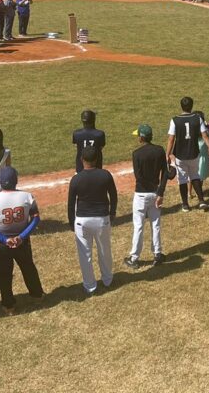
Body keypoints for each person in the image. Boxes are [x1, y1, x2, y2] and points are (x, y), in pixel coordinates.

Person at [0, 166, 44, 312]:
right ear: (16, 181)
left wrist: (5, 240)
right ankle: (37, 295)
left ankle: (9, 305)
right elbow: (35, 219)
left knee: (4, 275)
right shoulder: (27, 197)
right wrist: (21, 237)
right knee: (28, 268)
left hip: (2, 244)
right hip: (22, 242)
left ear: (0, 182)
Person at [67, 147, 117, 295]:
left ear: (82, 160)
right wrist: (112, 213)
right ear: (96, 159)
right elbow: (113, 196)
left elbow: (71, 203)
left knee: (85, 254)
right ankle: (107, 280)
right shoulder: (105, 175)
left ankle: (90, 286)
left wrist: (71, 222)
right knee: (104, 250)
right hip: (102, 218)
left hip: (82, 220)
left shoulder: (76, 179)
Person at [125, 125, 169, 267]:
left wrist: (153, 188)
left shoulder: (136, 154)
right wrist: (160, 192)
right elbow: (165, 173)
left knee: (138, 226)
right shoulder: (159, 150)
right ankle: (157, 254)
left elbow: (139, 177)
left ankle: (134, 258)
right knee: (155, 224)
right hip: (155, 194)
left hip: (141, 194)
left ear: (142, 137)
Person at [166, 97, 209, 211]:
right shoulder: (197, 118)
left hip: (180, 154)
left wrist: (167, 154)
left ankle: (185, 205)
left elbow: (171, 139)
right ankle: (202, 201)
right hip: (194, 153)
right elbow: (205, 135)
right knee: (195, 176)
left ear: (181, 106)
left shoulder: (174, 120)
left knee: (182, 179)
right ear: (192, 106)